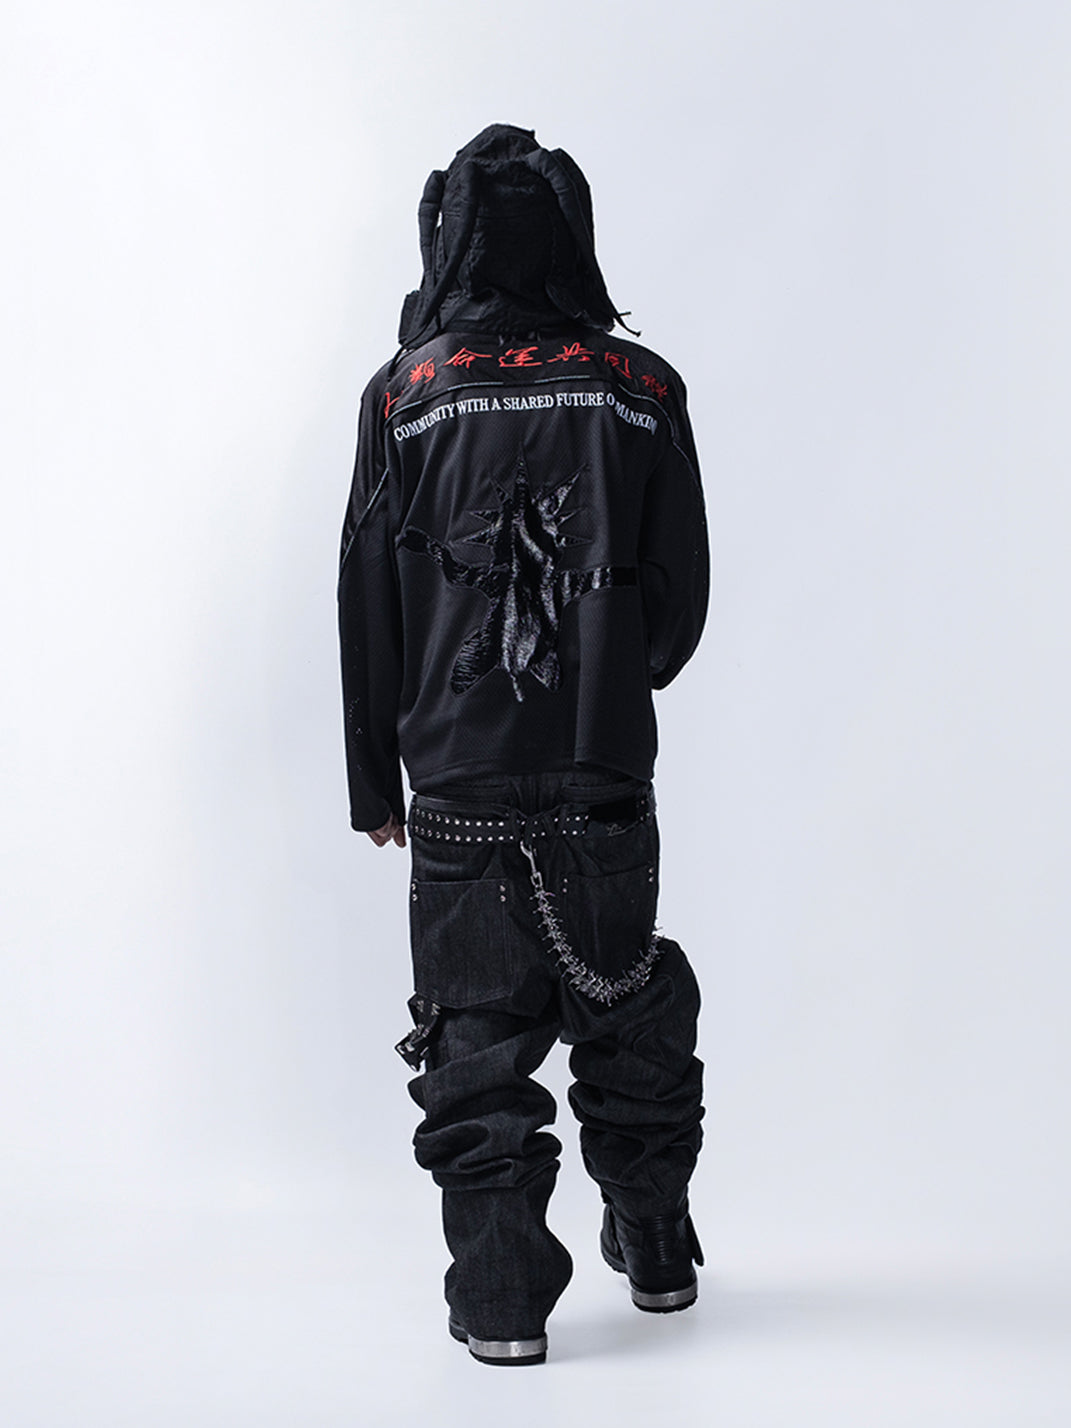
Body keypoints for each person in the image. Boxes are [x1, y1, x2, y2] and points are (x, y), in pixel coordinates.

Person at [337, 124, 709, 1366]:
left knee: (474, 1043)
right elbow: (678, 593)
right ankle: (656, 1250)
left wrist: (373, 778)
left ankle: (501, 1309)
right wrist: (612, 680)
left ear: (448, 239)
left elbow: (367, 594)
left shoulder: (406, 391)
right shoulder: (642, 385)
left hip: (457, 774)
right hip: (602, 764)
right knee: (628, 1003)